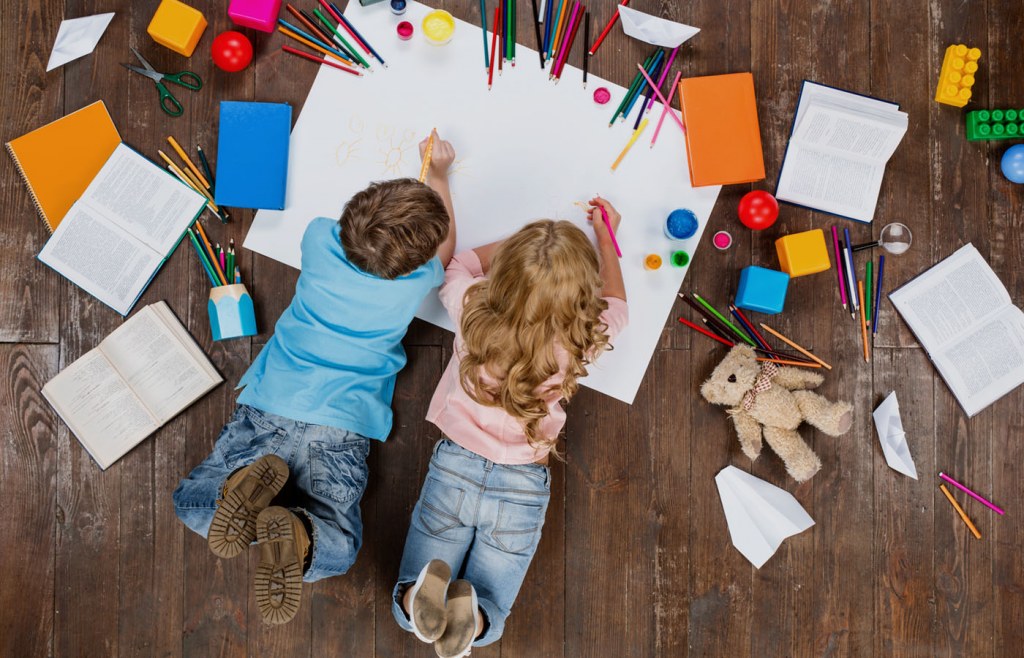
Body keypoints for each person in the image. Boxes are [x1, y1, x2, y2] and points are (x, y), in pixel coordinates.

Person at [173, 131, 457, 625]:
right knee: (338, 548)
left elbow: (382, 233)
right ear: (414, 264)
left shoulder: (319, 237)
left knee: (194, 506)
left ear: (348, 221)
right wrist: (438, 176)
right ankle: (296, 532)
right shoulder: (420, 280)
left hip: (273, 404)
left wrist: (416, 187)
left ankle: (258, 500)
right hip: (342, 427)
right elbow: (447, 253)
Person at [391, 200, 628, 657]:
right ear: (582, 292)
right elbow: (617, 303)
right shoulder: (585, 335)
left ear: (504, 274)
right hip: (521, 482)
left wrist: (529, 245)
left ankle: (417, 597)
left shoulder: (473, 308)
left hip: (455, 467)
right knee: (493, 601)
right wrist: (603, 238)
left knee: (418, 573)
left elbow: (458, 262)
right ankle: (473, 620)